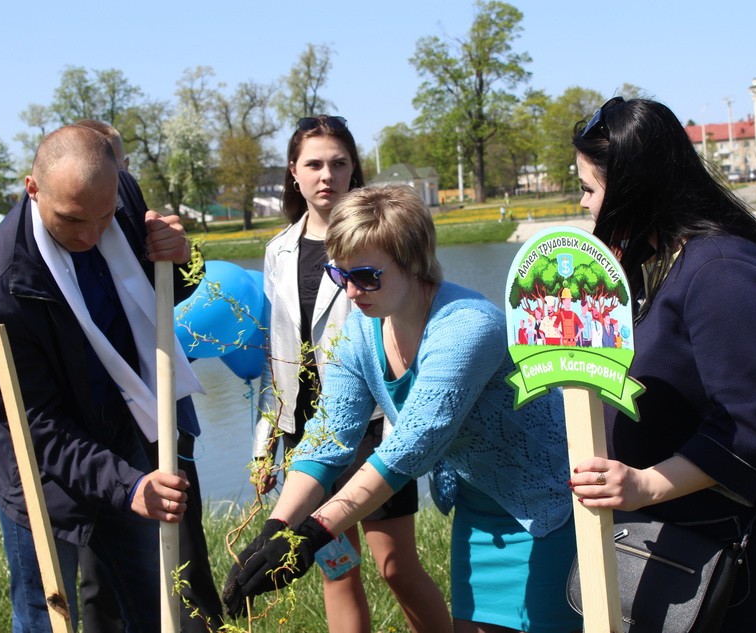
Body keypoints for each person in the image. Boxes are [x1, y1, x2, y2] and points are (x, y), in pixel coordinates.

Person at [225, 184, 581, 633]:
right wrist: (279, 527)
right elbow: (329, 433)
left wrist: (314, 533)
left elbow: (412, 446)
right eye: (340, 276)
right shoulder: (361, 329)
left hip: (551, 504)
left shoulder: (469, 326)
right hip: (480, 507)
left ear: (413, 261)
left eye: (367, 276)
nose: (351, 292)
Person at [569, 97, 756, 632]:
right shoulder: (667, 265)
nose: (583, 204)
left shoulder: (723, 274)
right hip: (692, 566)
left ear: (633, 188)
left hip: (755, 589)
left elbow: (745, 428)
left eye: (589, 188)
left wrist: (645, 485)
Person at [0, 125, 199, 633]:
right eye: (72, 221)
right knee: (47, 614)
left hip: (120, 430)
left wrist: (181, 259)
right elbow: (36, 425)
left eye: (104, 217)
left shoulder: (120, 197)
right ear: (32, 189)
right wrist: (127, 485)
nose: (92, 236)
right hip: (39, 471)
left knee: (156, 604)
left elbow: (162, 296)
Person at [244, 115, 449, 633]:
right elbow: (279, 349)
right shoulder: (278, 250)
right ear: (293, 172)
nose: (326, 175)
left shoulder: (382, 241)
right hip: (307, 430)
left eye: (338, 163)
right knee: (336, 568)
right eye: (313, 164)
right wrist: (268, 435)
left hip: (373, 422)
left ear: (354, 168)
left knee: (395, 565)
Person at [71, 120, 224, 633]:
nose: (122, 175)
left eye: (122, 163)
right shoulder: (63, 228)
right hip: (94, 426)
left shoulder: (136, 209)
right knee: (102, 569)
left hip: (162, 414)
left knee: (184, 550)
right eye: (112, 163)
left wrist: (181, 254)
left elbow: (183, 285)